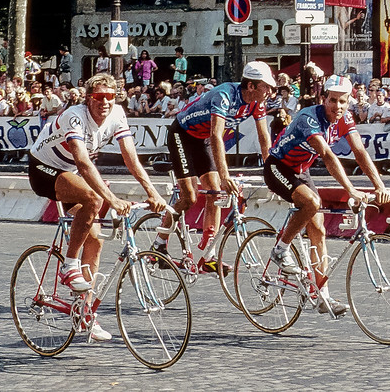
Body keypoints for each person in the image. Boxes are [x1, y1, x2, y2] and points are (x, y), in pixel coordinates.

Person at [28, 73, 166, 340]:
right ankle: (69, 266)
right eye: (99, 97)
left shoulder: (117, 114)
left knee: (96, 239)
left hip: (68, 172)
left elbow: (131, 158)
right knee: (95, 199)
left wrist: (153, 192)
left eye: (110, 97)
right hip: (43, 169)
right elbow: (83, 163)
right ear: (88, 99)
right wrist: (111, 199)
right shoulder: (74, 115)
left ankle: (84, 313)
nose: (105, 102)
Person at [264, 75, 390, 315]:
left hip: (301, 171)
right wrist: (351, 190)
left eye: (343, 101)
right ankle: (280, 250)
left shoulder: (345, 118)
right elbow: (328, 156)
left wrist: (379, 186)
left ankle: (323, 296)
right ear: (324, 99)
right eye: (333, 101)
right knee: (312, 202)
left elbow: (359, 151)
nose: (338, 107)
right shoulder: (308, 118)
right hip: (277, 167)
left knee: (319, 232)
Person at [152, 61, 275, 274]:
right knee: (189, 197)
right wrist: (225, 175)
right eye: (267, 86)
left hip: (202, 141)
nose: (271, 91)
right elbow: (216, 135)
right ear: (252, 86)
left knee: (215, 192)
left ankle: (208, 254)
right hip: (182, 134)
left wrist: (273, 171)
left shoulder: (258, 102)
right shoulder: (225, 94)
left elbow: (264, 138)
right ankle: (159, 244)